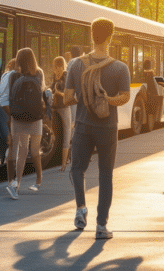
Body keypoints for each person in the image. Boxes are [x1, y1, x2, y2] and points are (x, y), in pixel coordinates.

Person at [65, 17, 130, 240]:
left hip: (83, 125)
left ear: (92, 35)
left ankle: (81, 209)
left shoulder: (75, 64)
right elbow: (124, 98)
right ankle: (101, 226)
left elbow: (67, 98)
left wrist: (86, 99)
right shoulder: (120, 67)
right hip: (108, 127)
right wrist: (106, 100)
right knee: (105, 174)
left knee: (77, 168)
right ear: (111, 37)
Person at [6, 48, 47, 200]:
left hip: (18, 118)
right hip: (36, 118)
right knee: (35, 150)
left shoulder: (13, 75)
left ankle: (16, 184)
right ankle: (39, 181)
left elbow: (11, 96)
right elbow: (42, 92)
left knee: (21, 152)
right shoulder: (39, 73)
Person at [51, 56, 74, 172]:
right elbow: (52, 88)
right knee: (60, 132)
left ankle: (64, 164)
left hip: (64, 107)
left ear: (60, 66)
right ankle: (62, 162)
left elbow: (65, 92)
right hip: (56, 107)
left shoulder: (65, 75)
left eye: (55, 67)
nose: (54, 69)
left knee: (66, 134)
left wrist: (57, 92)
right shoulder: (55, 76)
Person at [0, 58, 17, 188]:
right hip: (7, 111)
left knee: (11, 144)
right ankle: (12, 179)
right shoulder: (13, 75)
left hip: (3, 111)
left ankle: (12, 178)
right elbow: (5, 98)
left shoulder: (5, 74)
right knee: (12, 144)